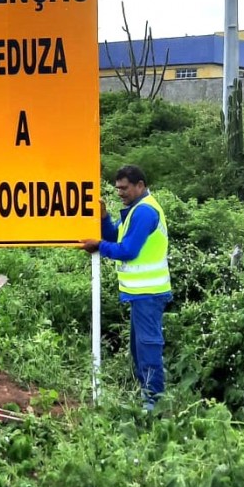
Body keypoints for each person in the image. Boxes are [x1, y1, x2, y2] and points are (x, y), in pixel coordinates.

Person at [80, 165, 172, 412]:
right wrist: (102, 219)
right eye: (117, 188)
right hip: (140, 293)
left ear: (140, 185)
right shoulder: (134, 211)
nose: (120, 192)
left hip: (149, 293)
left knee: (148, 345)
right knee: (138, 347)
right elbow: (115, 238)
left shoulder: (144, 212)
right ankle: (147, 396)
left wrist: (98, 245)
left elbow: (128, 251)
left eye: (124, 188)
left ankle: (154, 402)